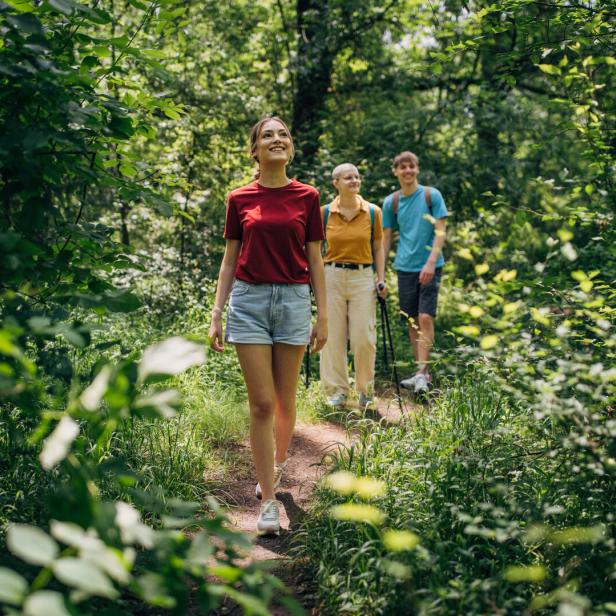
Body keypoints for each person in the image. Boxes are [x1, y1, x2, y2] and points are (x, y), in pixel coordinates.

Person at [208, 117, 327, 535]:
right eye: (267, 135)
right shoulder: (239, 198)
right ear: (255, 150)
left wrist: (322, 314)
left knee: (284, 402)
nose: (277, 140)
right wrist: (216, 312)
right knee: (260, 403)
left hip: (294, 302)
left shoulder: (308, 197)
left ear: (290, 148)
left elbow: (315, 260)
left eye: (283, 135)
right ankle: (269, 501)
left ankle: (273, 469)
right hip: (249, 301)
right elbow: (228, 259)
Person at [320, 163, 387, 408]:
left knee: (363, 337)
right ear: (336, 182)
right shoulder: (325, 212)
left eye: (357, 176)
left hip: (362, 277)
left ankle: (365, 391)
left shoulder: (372, 212)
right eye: (348, 177)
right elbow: (315, 249)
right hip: (332, 276)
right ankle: (337, 391)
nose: (354, 180)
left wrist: (381, 278)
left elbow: (378, 246)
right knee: (333, 336)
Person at [382, 151, 448, 394]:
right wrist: (380, 272)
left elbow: (441, 231)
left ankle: (422, 373)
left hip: (430, 264)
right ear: (396, 171)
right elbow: (385, 238)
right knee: (412, 320)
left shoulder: (431, 195)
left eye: (412, 166)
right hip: (404, 267)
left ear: (417, 169)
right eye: (403, 167)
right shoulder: (392, 202)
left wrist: (431, 262)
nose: (408, 171)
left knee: (425, 317)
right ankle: (420, 371)